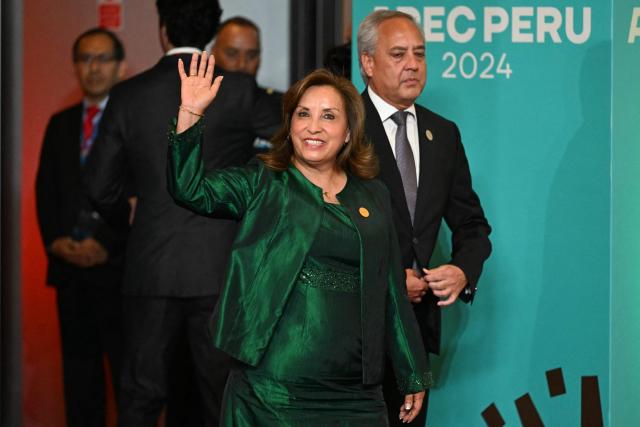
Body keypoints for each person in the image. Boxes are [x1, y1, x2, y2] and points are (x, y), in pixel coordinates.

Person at [167, 52, 431, 426]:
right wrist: (190, 113)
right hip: (273, 390)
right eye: (303, 114)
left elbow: (390, 289)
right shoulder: (264, 182)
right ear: (290, 124)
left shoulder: (373, 195)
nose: (313, 127)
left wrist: (412, 370)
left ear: (349, 132)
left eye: (328, 116)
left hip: (356, 393)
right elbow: (188, 188)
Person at [84, 1, 281, 426]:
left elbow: (99, 186)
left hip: (149, 267)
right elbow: (300, 140)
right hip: (220, 271)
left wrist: (127, 223)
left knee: (140, 396)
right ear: (212, 33)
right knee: (222, 398)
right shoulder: (240, 90)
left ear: (162, 29)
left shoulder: (129, 95)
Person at [357, 10, 492, 426]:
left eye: (419, 53)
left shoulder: (443, 133)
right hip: (351, 332)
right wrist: (392, 281)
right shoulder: (344, 126)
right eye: (398, 54)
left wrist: (462, 270)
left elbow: (472, 226)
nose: (413, 64)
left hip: (414, 334)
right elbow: (323, 232)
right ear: (367, 63)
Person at [35, 27, 128, 427]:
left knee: (128, 379)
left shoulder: (132, 120)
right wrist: (56, 241)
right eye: (85, 59)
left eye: (102, 58)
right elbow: (46, 190)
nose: (93, 68)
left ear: (121, 66)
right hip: (70, 273)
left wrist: (106, 245)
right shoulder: (60, 123)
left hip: (119, 272)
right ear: (75, 66)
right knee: (79, 379)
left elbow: (138, 194)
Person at [211, 16, 283, 152]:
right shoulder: (199, 105)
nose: (242, 64)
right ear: (213, 53)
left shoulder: (278, 105)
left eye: (251, 55)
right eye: (232, 54)